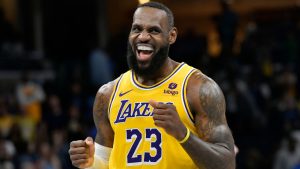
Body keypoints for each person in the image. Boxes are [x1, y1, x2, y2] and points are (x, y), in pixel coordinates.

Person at [68, 2, 235, 169]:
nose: (143, 36)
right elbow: (105, 162)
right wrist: (90, 162)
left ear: (172, 36)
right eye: (137, 29)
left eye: (153, 30)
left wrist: (183, 135)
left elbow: (227, 164)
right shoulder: (108, 94)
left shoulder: (198, 88)